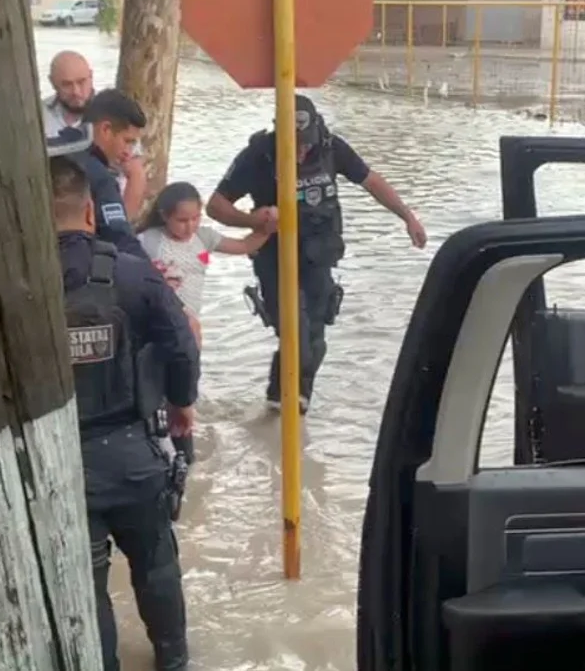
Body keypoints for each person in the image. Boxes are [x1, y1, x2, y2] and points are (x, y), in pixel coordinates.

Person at [52, 154, 198, 671]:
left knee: (85, 583)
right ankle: (174, 660)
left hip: (59, 465)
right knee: (157, 564)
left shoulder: (17, 286)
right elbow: (181, 346)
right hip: (135, 450)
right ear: (91, 212)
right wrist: (182, 405)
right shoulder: (133, 274)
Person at [206, 94, 427, 412]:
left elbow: (372, 181)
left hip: (318, 254)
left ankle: (285, 407)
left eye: (303, 145)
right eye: (291, 146)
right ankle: (283, 409)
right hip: (274, 256)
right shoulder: (258, 155)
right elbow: (216, 205)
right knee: (296, 337)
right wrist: (253, 220)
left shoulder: (331, 147)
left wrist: (407, 216)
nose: (298, 154)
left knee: (315, 341)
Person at [137, 181, 276, 346]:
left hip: (191, 321)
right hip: (158, 321)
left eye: (195, 218)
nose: (190, 226)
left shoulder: (203, 237)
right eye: (182, 220)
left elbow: (244, 245)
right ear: (164, 215)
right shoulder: (148, 241)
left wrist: (269, 227)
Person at [48, 88, 148, 258]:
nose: (128, 153)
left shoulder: (51, 151)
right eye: (127, 141)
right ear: (106, 129)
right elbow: (120, 239)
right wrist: (153, 279)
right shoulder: (100, 177)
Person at [42, 51, 146, 214]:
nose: (76, 91)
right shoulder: (37, 117)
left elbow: (136, 176)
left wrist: (120, 224)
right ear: (52, 82)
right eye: (66, 85)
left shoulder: (115, 113)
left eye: (81, 82)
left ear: (91, 76)